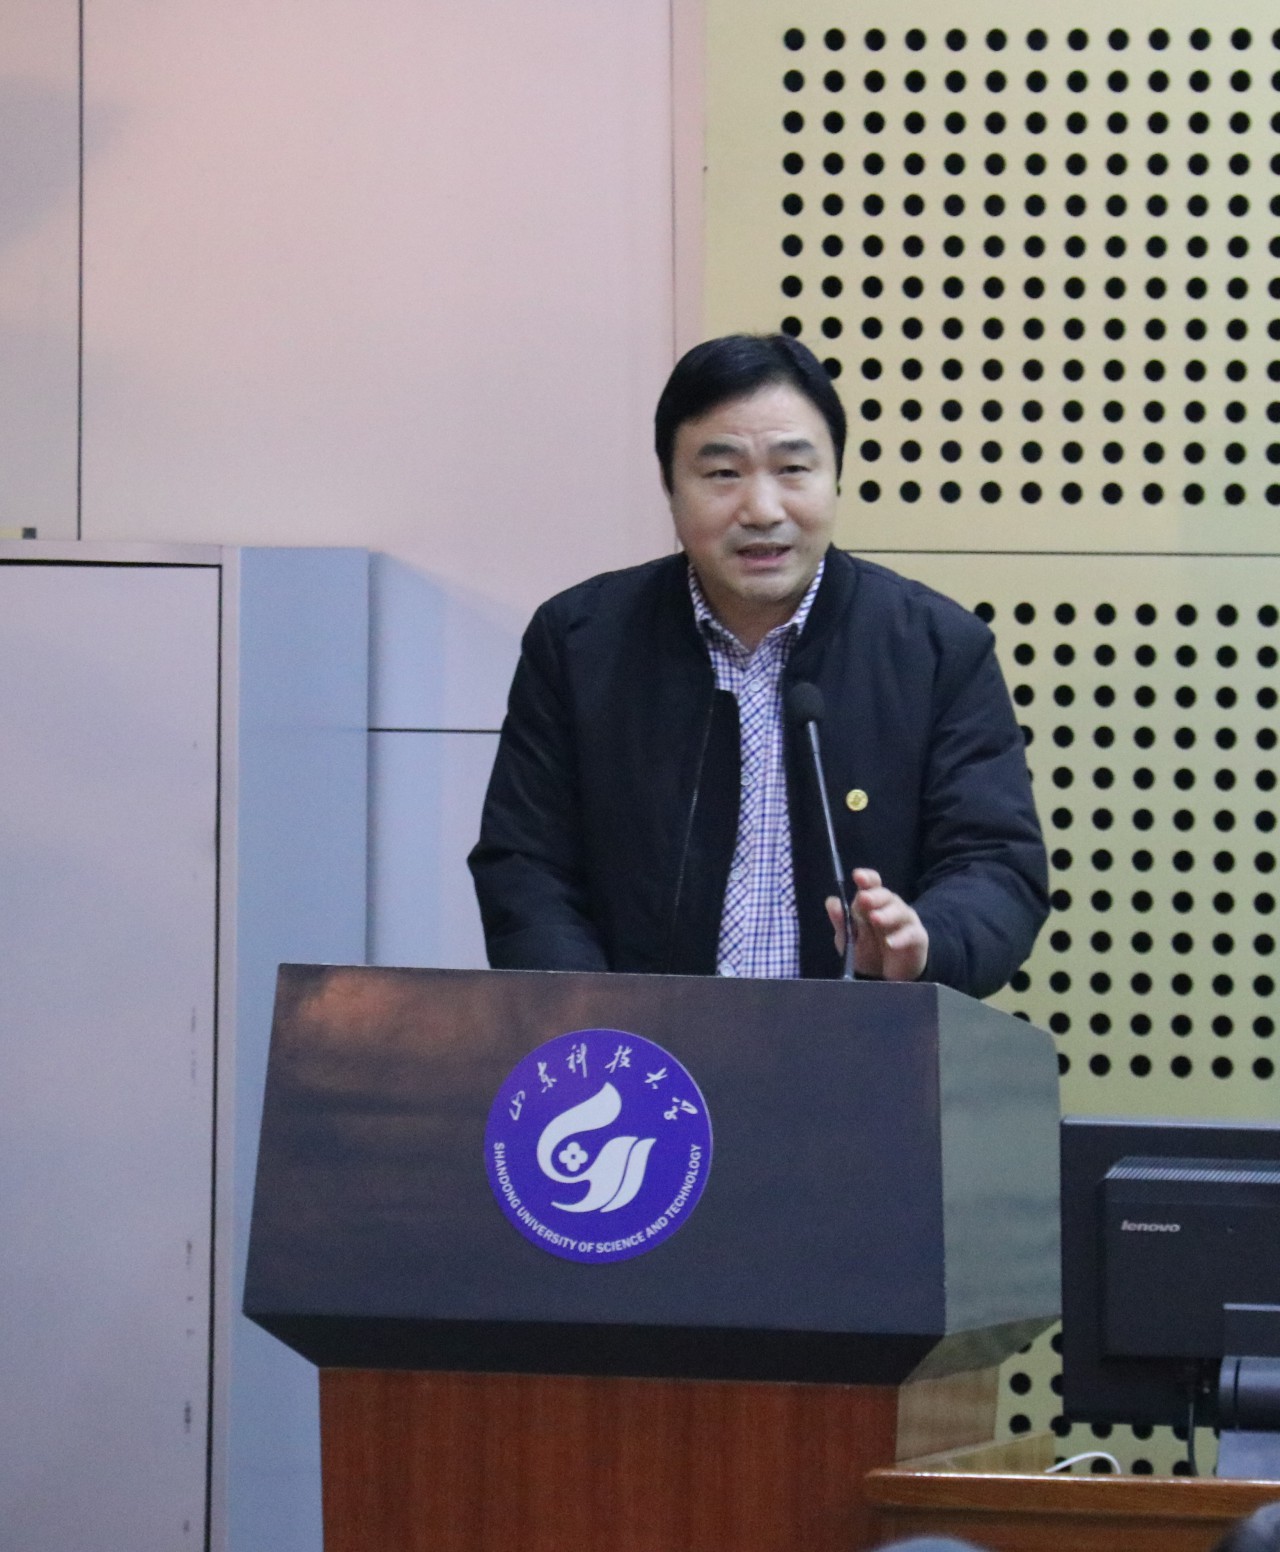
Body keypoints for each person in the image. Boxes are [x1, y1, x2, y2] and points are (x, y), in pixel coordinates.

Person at [468, 333, 1048, 996]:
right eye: (723, 474)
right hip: (638, 1048)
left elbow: (996, 866)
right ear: (669, 485)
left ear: (836, 477)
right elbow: (526, 866)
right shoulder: (579, 643)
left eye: (793, 469)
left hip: (861, 1049)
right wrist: (598, 1018)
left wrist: (925, 942)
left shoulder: (936, 650)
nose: (762, 510)